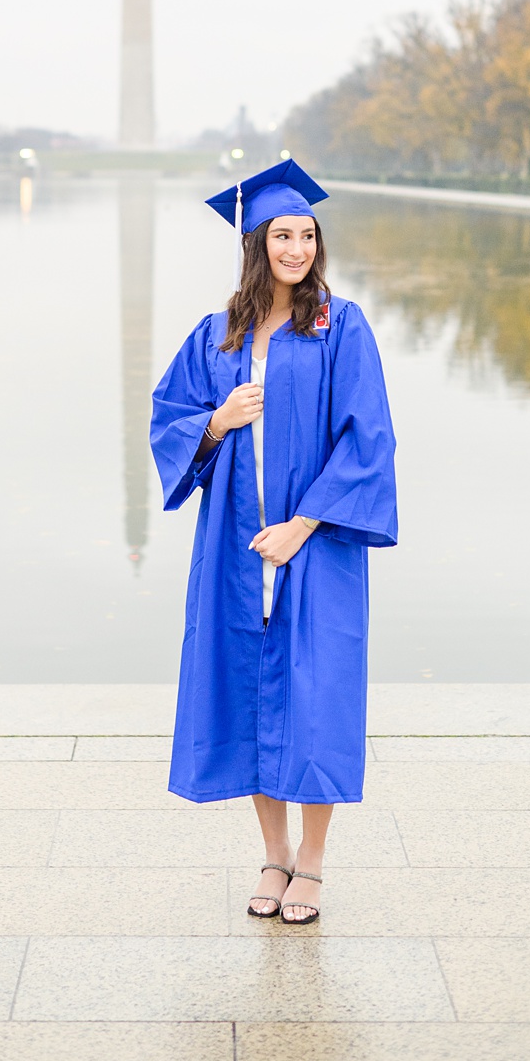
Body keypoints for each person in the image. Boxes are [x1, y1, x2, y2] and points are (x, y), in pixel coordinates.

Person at [151, 157, 399, 926]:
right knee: (251, 690)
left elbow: (369, 438)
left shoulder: (339, 325)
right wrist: (216, 421)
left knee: (315, 693)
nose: (295, 248)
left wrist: (304, 524)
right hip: (234, 548)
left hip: (314, 546)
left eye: (307, 234)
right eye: (281, 235)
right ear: (256, 243)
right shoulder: (216, 332)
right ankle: (273, 856)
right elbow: (170, 417)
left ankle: (314, 865)